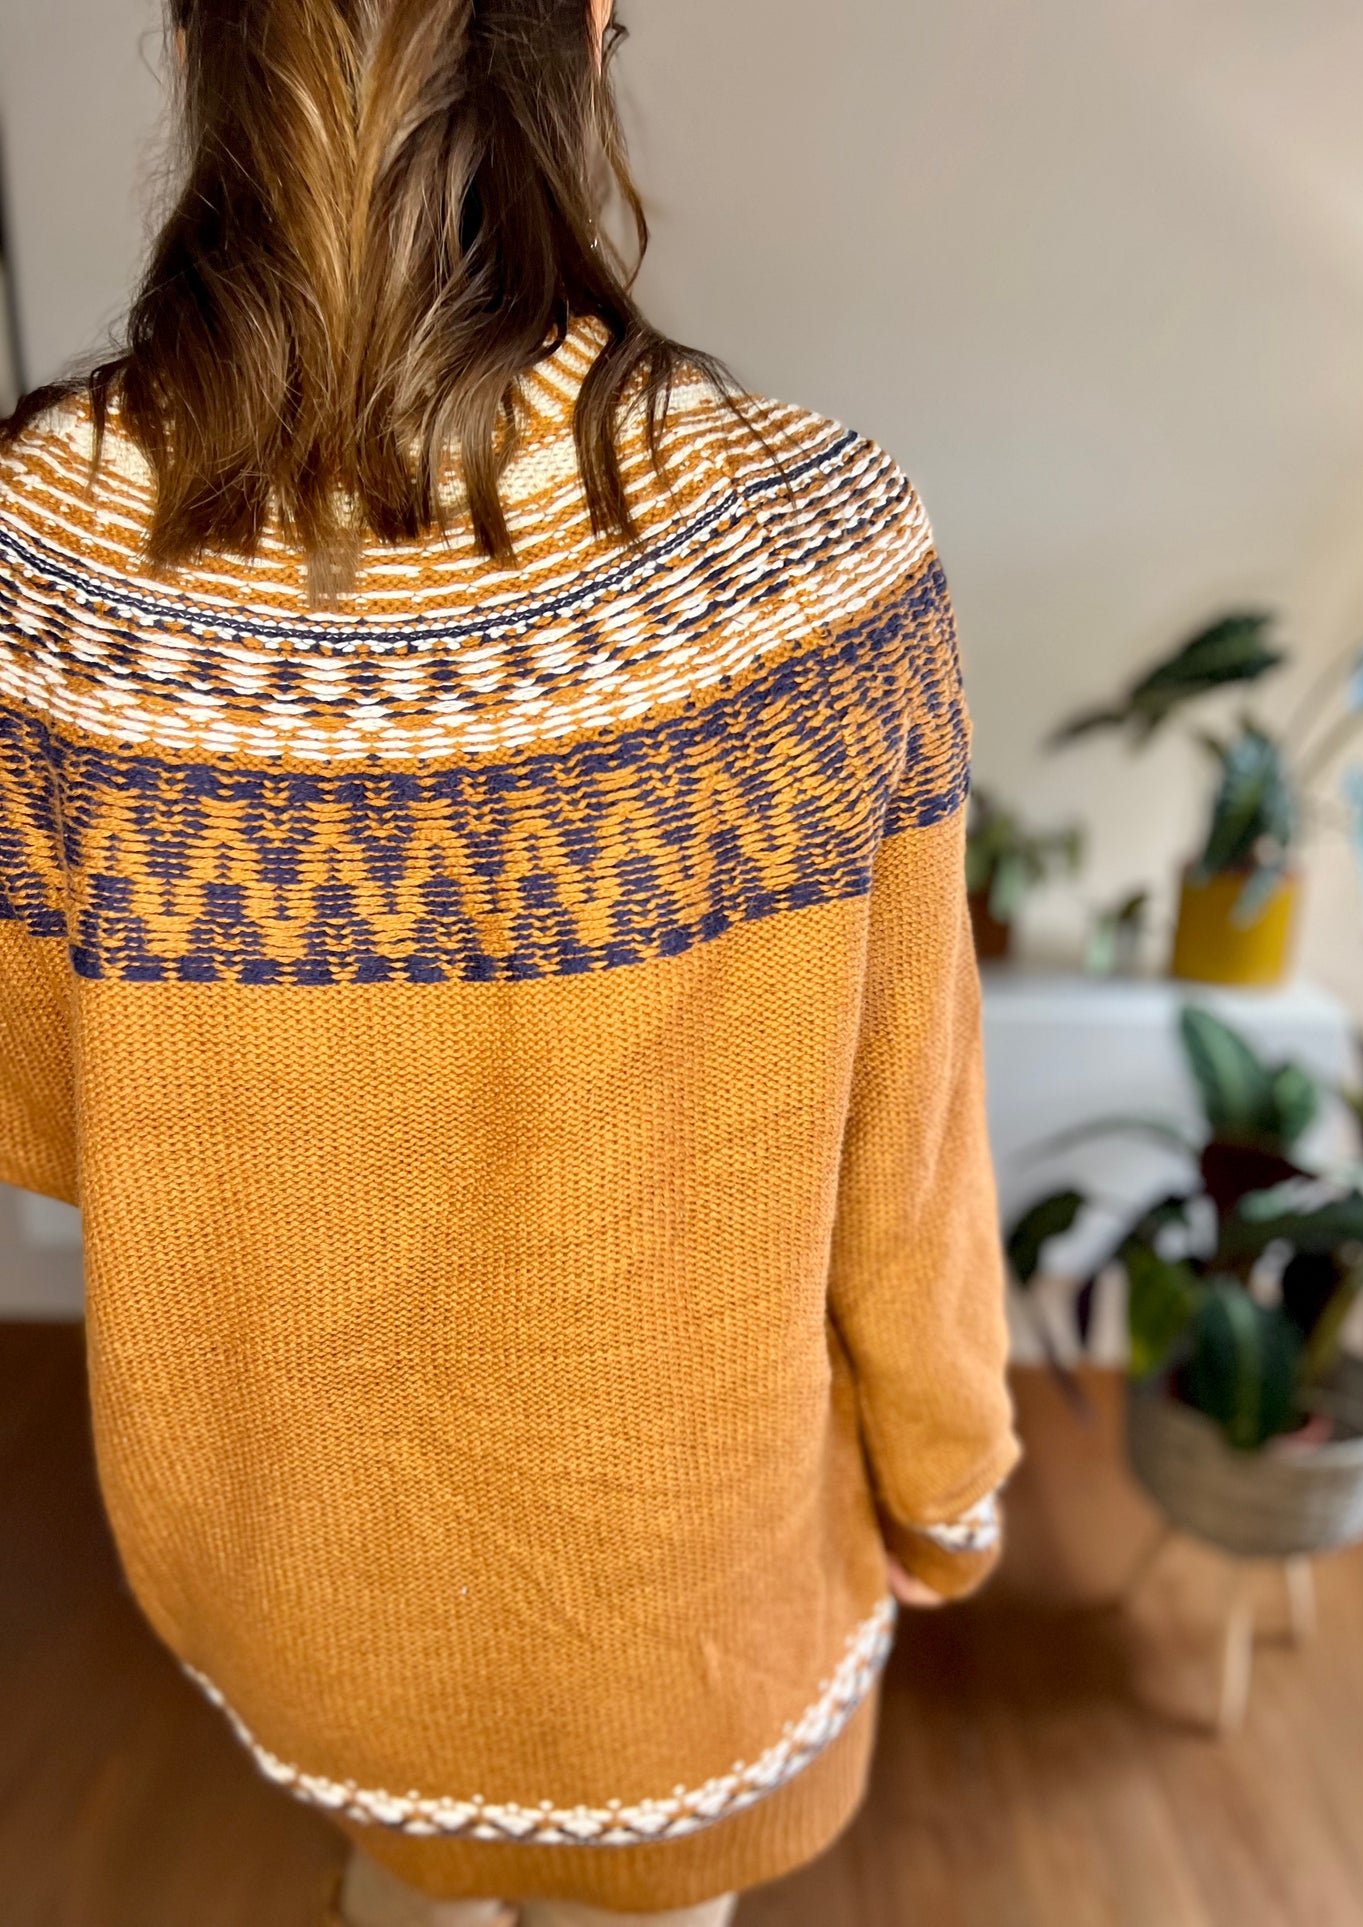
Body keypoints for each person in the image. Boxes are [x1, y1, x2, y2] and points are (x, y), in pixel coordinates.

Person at [0, 2, 1021, 1923]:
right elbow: (911, 1157)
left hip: (306, 1608)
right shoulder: (811, 554)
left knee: (398, 1890)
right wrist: (944, 1494)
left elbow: (62, 1117)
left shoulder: (43, 571)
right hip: (683, 1610)